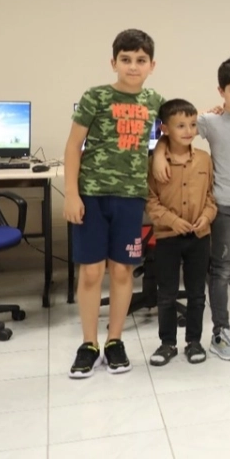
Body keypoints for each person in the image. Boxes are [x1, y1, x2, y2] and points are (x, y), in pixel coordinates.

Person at [151, 56, 230, 361]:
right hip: (225, 205)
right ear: (221, 91)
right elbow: (174, 131)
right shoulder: (209, 121)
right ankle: (220, 330)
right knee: (222, 269)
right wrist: (159, 154)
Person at [64, 29, 164, 378]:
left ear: (152, 65)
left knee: (122, 270)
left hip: (130, 197)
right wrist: (72, 193)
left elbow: (179, 127)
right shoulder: (96, 97)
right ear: (114, 62)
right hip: (92, 196)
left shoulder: (155, 100)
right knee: (92, 271)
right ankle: (89, 344)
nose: (133, 66)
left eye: (140, 60)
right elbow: (72, 146)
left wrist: (160, 153)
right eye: (126, 59)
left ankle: (114, 340)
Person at [146, 99, 218, 366]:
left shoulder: (204, 159)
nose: (189, 131)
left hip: (199, 237)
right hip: (168, 237)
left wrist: (207, 216)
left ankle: (194, 341)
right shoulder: (155, 163)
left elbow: (211, 196)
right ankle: (167, 343)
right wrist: (172, 221)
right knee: (166, 294)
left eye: (192, 124)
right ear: (165, 129)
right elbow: (150, 200)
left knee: (197, 293)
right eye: (180, 126)